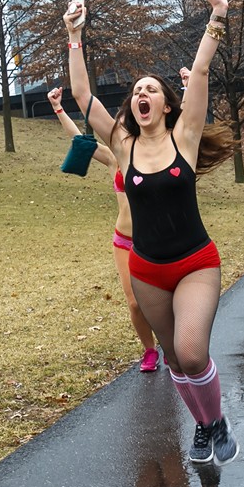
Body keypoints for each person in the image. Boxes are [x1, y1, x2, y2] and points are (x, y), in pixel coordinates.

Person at [65, 0, 240, 465]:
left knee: (191, 352)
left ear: (166, 103)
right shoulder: (123, 144)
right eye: (137, 90)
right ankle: (204, 428)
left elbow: (201, 67)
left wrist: (217, 15)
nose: (142, 94)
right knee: (173, 358)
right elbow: (82, 93)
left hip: (195, 263)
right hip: (147, 270)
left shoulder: (185, 136)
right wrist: (74, 35)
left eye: (151, 90)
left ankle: (216, 419)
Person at [47, 87, 161, 371]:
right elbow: (79, 141)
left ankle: (172, 342)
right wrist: (58, 108)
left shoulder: (157, 154)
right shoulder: (113, 158)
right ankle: (150, 351)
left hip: (156, 240)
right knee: (135, 303)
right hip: (124, 241)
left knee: (160, 300)